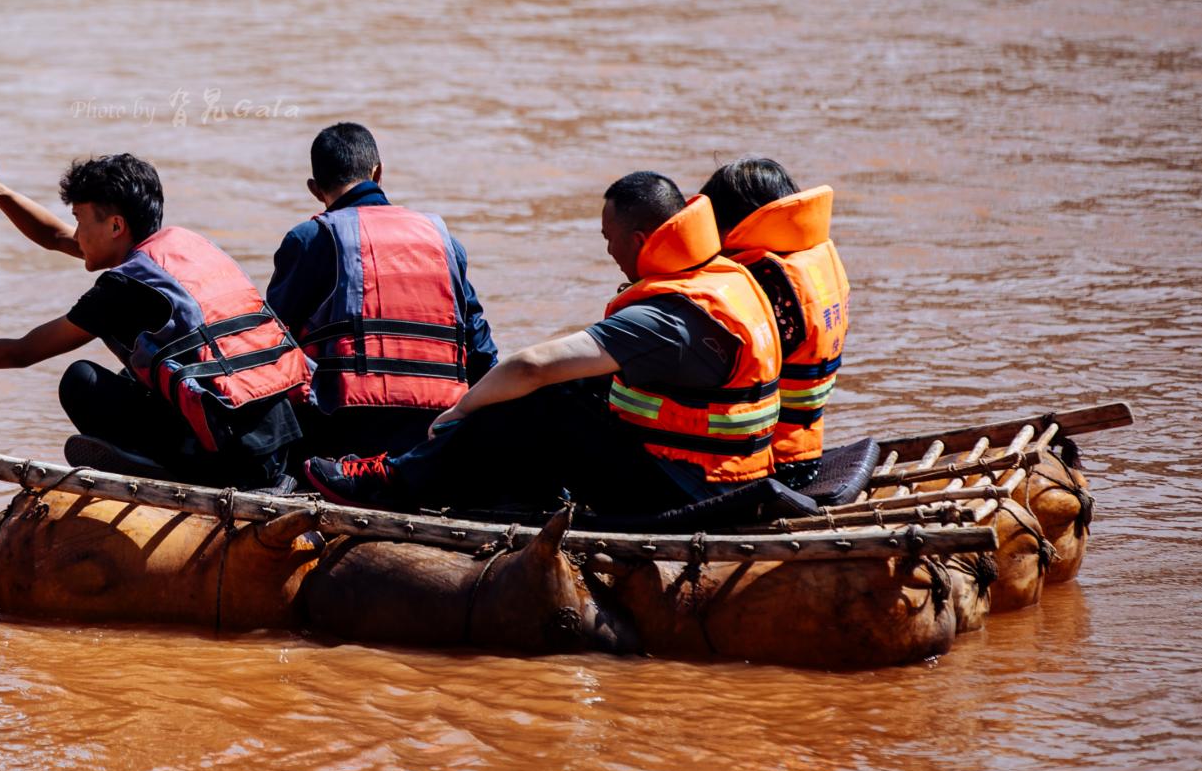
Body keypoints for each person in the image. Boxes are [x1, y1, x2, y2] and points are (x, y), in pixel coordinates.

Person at [303, 172, 781, 517]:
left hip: (689, 493)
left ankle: (395, 482)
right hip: (728, 474)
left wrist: (461, 410)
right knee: (574, 390)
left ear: (638, 239)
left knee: (543, 397)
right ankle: (515, 492)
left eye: (609, 239)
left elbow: (532, 367)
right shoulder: (723, 281)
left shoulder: (665, 317)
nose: (609, 252)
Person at [0, 152, 307, 488]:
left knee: (80, 380)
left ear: (116, 225)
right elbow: (56, 238)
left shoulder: (122, 290)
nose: (76, 232)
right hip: (279, 435)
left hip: (228, 451)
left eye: (81, 219)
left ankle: (172, 470)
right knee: (135, 368)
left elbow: (22, 352)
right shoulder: (183, 247)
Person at [266, 122, 499, 457]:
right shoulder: (444, 242)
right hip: (437, 438)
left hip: (342, 436)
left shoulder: (310, 241)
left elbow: (270, 346)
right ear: (378, 173)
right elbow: (483, 355)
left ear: (315, 189)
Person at [701, 158, 850, 485]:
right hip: (803, 452)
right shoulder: (807, 263)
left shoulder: (763, 283)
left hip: (762, 466)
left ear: (731, 227)